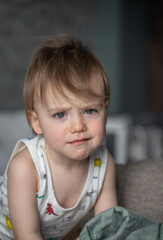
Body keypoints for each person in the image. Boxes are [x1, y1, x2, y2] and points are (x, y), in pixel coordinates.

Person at [0, 34, 118, 240]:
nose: (78, 126)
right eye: (61, 114)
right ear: (36, 122)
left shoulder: (104, 164)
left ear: (105, 110)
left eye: (90, 110)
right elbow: (27, 235)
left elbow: (108, 229)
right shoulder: (25, 168)